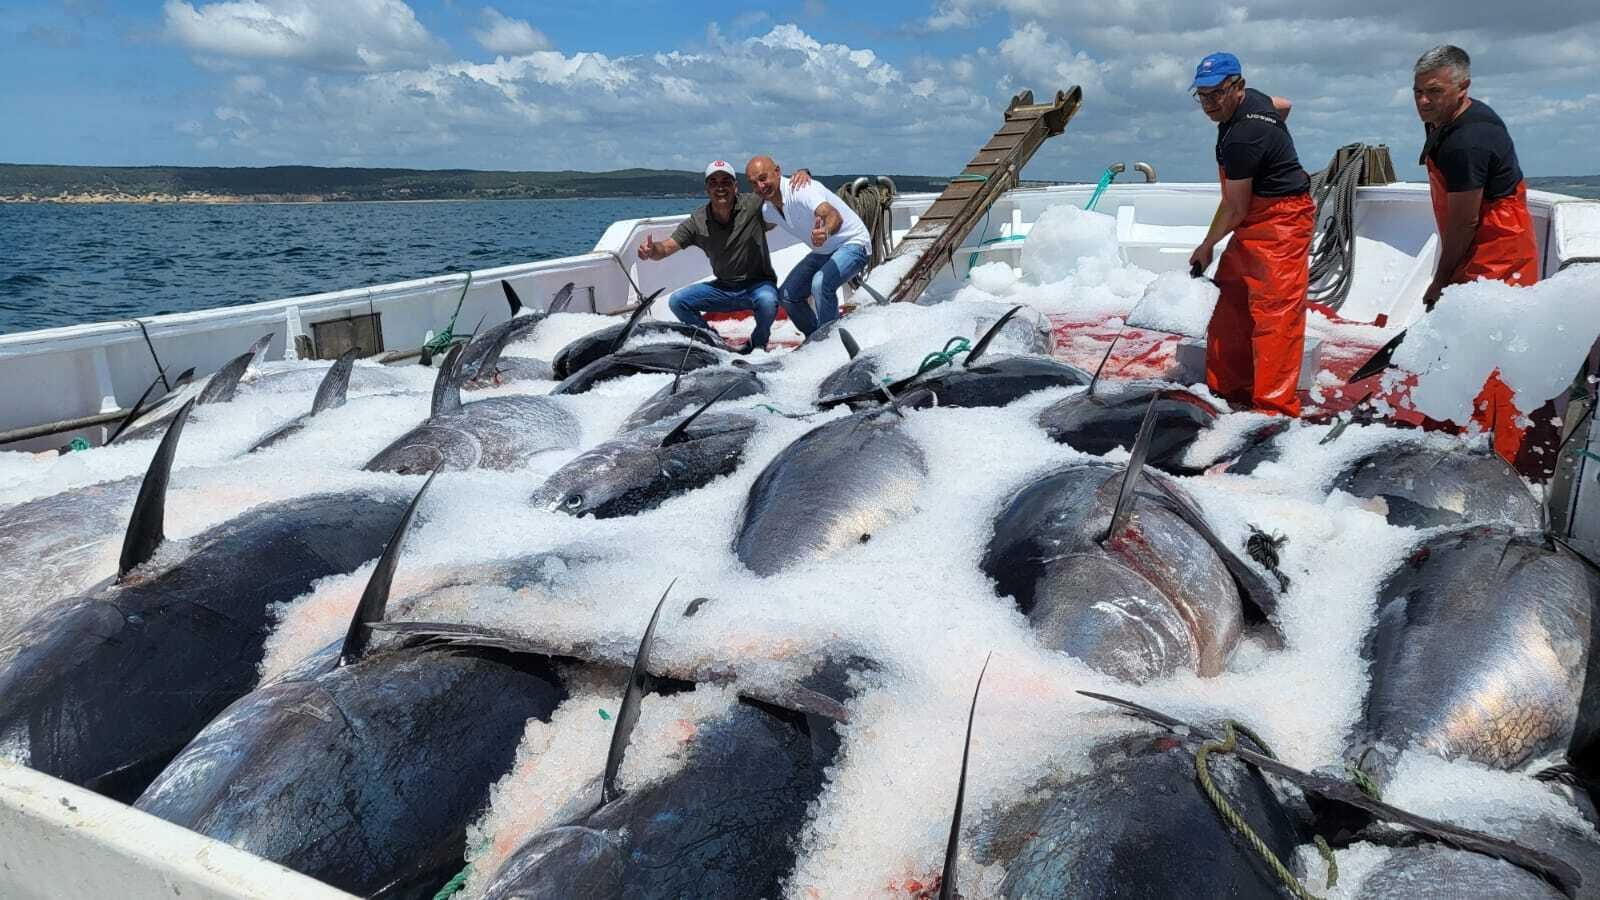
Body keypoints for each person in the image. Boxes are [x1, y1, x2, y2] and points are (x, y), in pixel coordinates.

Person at [1413, 44, 1542, 463]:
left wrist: (1440, 280)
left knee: (1488, 358)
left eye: (1434, 91)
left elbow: (1464, 222)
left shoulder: (1467, 141)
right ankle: (1453, 432)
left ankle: (1491, 457)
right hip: (1477, 243)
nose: (1423, 101)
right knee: (1461, 345)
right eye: (1417, 91)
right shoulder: (1445, 121)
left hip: (1497, 249)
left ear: (1463, 87)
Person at [1186, 52, 1316, 418]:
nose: (1209, 104)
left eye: (1217, 93)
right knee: (1229, 299)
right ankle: (1228, 389)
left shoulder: (1243, 138)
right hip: (1253, 218)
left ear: (1238, 86)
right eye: (1202, 95)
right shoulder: (1257, 100)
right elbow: (1284, 105)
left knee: (1275, 316)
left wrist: (1206, 245)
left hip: (1282, 221)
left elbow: (1234, 208)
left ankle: (1274, 410)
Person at [638, 160, 778, 353]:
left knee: (768, 301)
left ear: (735, 186)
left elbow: (779, 194)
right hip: (723, 288)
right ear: (707, 189)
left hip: (758, 284)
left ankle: (757, 344)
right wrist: (651, 250)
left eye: (726, 182)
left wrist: (803, 176)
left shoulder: (753, 205)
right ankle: (713, 341)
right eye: (714, 182)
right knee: (678, 301)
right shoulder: (698, 220)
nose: (720, 187)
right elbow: (667, 247)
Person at [745, 156, 871, 336]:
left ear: (777, 172)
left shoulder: (801, 190)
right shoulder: (768, 209)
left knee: (820, 284)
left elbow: (833, 216)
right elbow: (760, 226)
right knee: (787, 296)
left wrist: (825, 232)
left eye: (763, 178)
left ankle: (830, 341)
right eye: (754, 183)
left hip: (853, 243)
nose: (760, 186)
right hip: (824, 252)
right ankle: (816, 337)